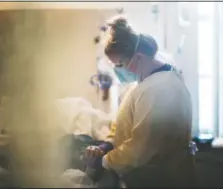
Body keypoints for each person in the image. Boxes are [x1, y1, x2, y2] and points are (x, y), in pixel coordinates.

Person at [84, 16, 196, 187]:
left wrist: (105, 161)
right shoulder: (145, 84)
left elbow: (141, 149)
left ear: (139, 57)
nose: (118, 71)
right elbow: (124, 124)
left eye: (120, 64)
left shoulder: (160, 89)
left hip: (160, 181)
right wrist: (108, 144)